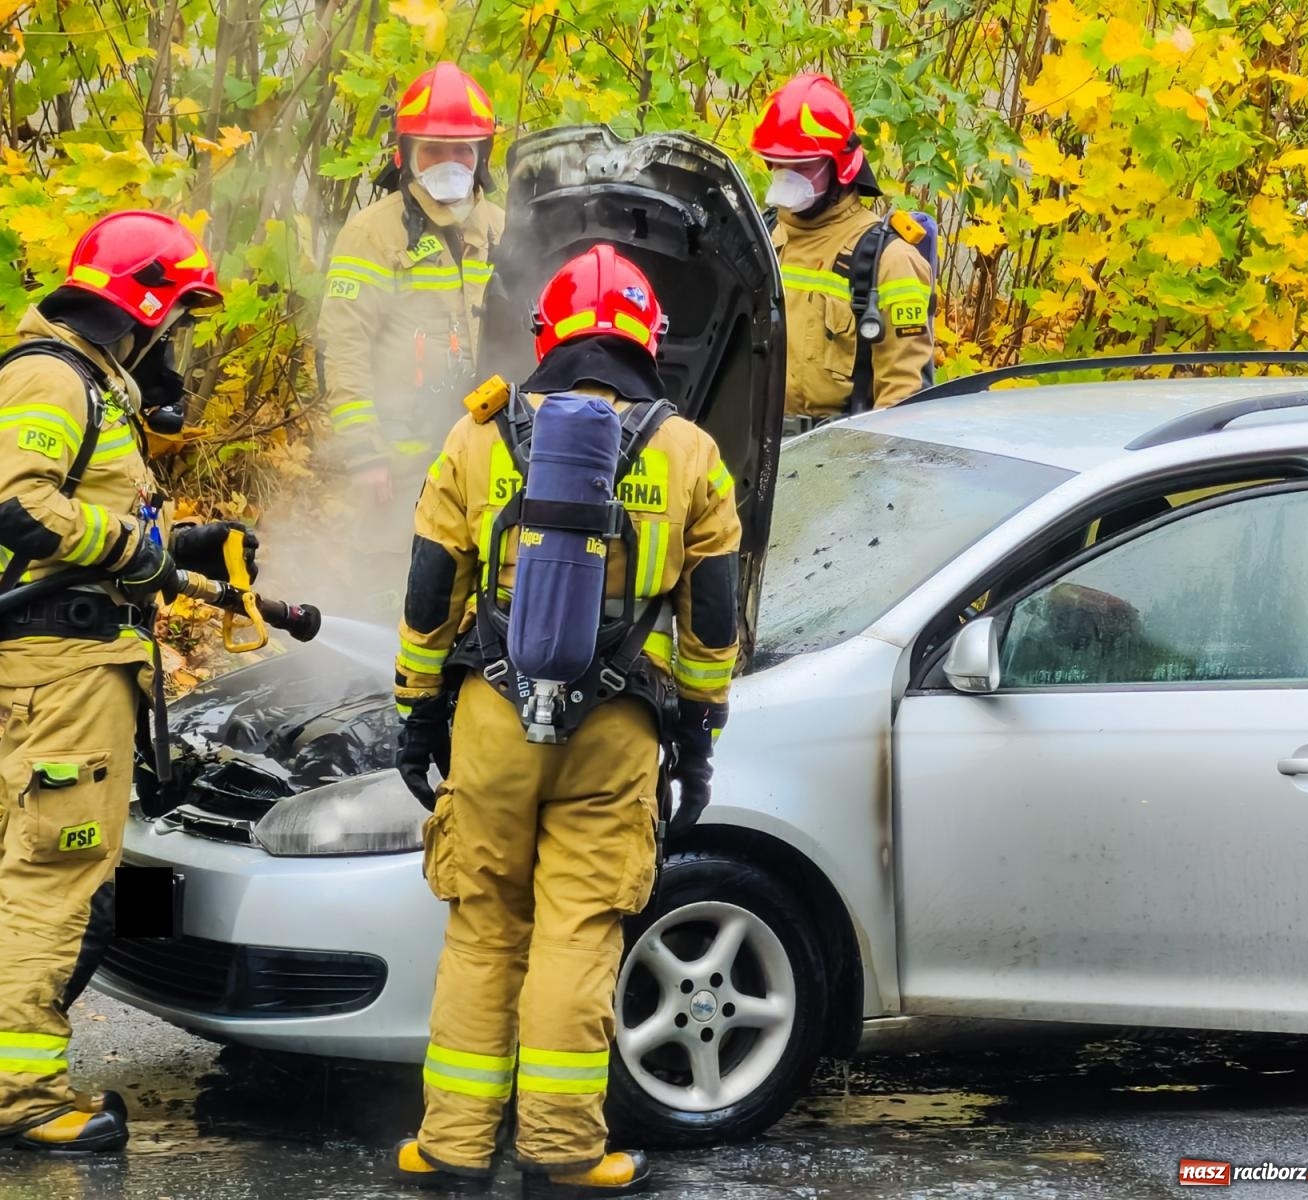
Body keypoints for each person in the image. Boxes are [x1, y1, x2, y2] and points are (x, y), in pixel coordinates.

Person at [390, 245, 742, 1195]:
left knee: (483, 928)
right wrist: (698, 736)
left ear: (546, 335)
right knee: (578, 932)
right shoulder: (689, 452)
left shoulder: (479, 436)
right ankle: (562, 1150)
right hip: (616, 730)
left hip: (491, 720)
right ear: (650, 340)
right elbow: (713, 620)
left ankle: (452, 1145)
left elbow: (430, 590)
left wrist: (416, 711)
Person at [0, 210, 255, 1151]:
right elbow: (16, 503)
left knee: (52, 870)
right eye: (180, 318)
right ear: (144, 306)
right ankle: (19, 1100)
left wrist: (181, 548)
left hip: (82, 662)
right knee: (54, 876)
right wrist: (136, 549)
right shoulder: (52, 376)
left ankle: (8, 1084)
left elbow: (81, 515)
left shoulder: (86, 383)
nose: (179, 342)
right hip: (65, 666)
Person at [316, 61, 507, 609]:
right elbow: (343, 349)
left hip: (487, 456)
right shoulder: (371, 235)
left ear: (482, 155)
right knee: (391, 596)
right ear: (405, 154)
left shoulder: (501, 227)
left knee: (477, 594)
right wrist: (365, 454)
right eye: (433, 150)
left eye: (462, 151)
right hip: (398, 463)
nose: (449, 164)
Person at [752, 72, 934, 418]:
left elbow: (902, 400)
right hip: (757, 445)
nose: (786, 176)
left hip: (838, 447)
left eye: (801, 165)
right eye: (777, 162)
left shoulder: (889, 261)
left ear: (842, 165)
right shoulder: (761, 239)